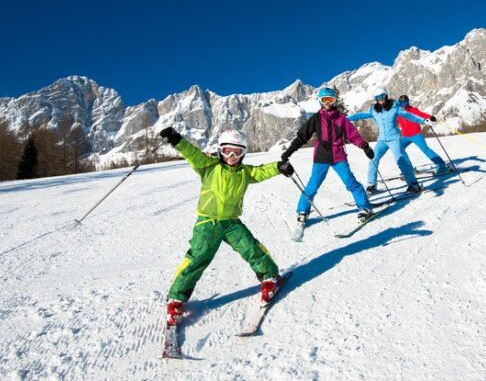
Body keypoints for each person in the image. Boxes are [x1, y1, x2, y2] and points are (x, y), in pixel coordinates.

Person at [159, 126, 295, 326]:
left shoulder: (244, 172)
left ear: (244, 153)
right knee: (197, 258)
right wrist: (176, 140)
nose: (231, 156)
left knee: (252, 248)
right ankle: (176, 299)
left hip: (232, 223)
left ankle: (270, 278)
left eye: (237, 152)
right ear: (219, 150)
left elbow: (261, 171)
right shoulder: (208, 166)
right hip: (208, 223)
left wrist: (278, 167)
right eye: (227, 151)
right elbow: (192, 153)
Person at [282, 88, 376, 222]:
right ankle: (302, 211)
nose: (327, 102)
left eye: (330, 99)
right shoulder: (316, 118)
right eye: (324, 100)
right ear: (320, 101)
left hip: (338, 156)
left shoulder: (341, 118)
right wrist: (289, 151)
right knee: (312, 185)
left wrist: (364, 145)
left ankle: (364, 207)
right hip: (321, 157)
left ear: (334, 101)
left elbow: (352, 135)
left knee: (350, 182)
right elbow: (302, 136)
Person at [348, 88, 427, 195]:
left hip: (394, 138)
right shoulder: (373, 109)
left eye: (382, 96)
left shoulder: (394, 106)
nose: (380, 99)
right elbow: (360, 115)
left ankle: (413, 185)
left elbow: (408, 115)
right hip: (382, 140)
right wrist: (345, 119)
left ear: (385, 96)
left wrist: (422, 120)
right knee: (373, 159)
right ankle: (371, 186)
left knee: (400, 160)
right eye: (377, 97)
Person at [397, 95, 451, 174]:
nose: (404, 105)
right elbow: (395, 123)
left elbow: (422, 114)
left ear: (408, 102)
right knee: (398, 149)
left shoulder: (413, 110)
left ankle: (441, 165)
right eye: (402, 103)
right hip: (405, 136)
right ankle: (409, 169)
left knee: (425, 149)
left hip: (416, 134)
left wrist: (430, 117)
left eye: (405, 103)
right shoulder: (399, 113)